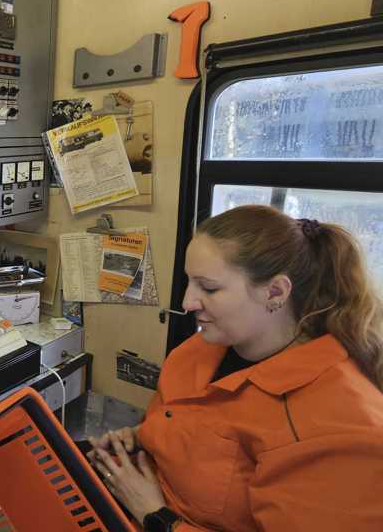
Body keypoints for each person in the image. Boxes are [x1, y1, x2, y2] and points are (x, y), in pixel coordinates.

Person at [87, 205, 383, 531]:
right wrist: (139, 442)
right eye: (189, 282)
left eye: (209, 288)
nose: (187, 303)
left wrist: (157, 517)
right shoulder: (201, 349)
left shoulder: (339, 425)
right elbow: (184, 426)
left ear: (275, 292)